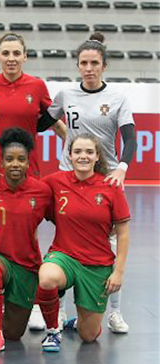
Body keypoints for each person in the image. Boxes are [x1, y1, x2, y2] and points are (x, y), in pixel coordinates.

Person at [38, 32, 136, 333]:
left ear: (104, 66)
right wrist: (59, 127)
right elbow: (40, 123)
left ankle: (114, 312)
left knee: (107, 245)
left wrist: (120, 168)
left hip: (104, 178)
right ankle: (61, 312)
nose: (89, 68)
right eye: (84, 63)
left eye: (94, 63)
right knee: (66, 243)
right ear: (78, 66)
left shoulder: (117, 98)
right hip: (70, 176)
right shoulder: (66, 95)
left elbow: (130, 139)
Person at [0, 32, 52, 330]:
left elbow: (51, 117)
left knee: (27, 234)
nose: (11, 58)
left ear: (25, 56)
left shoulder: (37, 86)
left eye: (16, 53)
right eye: (5, 53)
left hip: (27, 171)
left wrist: (70, 143)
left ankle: (30, 301)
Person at [37, 133, 130, 351]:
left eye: (89, 152)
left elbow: (123, 233)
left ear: (98, 156)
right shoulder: (55, 181)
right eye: (77, 151)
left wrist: (118, 272)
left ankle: (81, 321)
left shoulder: (111, 186)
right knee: (47, 278)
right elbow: (26, 188)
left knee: (88, 337)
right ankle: (53, 330)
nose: (83, 156)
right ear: (69, 155)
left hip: (97, 265)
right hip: (64, 256)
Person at [0, 128, 52, 355]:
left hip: (27, 266)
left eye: (21, 159)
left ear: (29, 163)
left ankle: (2, 325)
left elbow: (66, 219)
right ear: (0, 162)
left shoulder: (42, 192)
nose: (15, 164)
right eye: (9, 159)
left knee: (14, 333)